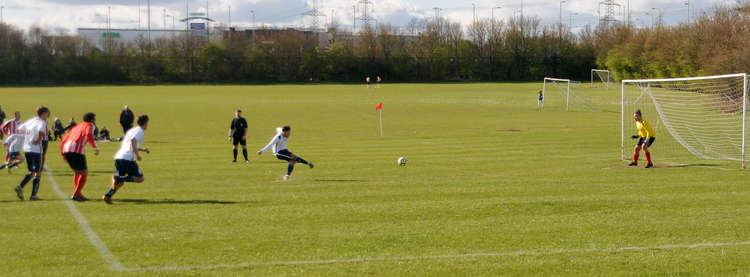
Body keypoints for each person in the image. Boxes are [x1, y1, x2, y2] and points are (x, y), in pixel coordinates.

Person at [102, 115, 150, 204]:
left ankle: (107, 196)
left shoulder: (132, 130)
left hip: (119, 157)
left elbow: (129, 144)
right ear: (145, 123)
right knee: (140, 178)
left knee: (120, 183)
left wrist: (142, 149)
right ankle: (118, 178)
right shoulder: (140, 131)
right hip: (127, 159)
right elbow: (133, 141)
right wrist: (137, 155)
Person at [60, 112, 100, 201]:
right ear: (92, 120)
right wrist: (95, 147)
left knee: (77, 172)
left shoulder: (76, 126)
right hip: (76, 150)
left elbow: (64, 139)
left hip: (67, 148)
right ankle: (76, 194)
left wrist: (63, 154)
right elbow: (88, 134)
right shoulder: (89, 125)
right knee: (84, 172)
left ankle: (78, 193)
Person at [14, 106, 50, 201]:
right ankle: (33, 195)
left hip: (27, 149)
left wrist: (28, 136)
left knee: (32, 171)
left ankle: (20, 187)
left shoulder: (31, 120)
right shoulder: (42, 122)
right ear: (44, 113)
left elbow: (20, 129)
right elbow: (41, 131)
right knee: (38, 172)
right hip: (36, 150)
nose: (47, 116)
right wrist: (38, 139)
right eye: (47, 114)